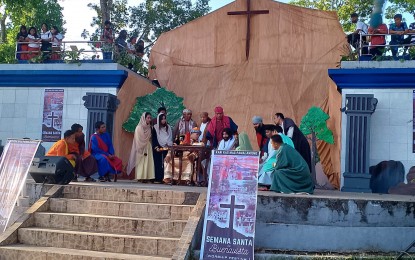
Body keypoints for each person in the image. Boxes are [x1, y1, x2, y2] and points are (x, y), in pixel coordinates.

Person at [127, 112, 155, 182]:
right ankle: (140, 177)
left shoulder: (149, 128)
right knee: (141, 162)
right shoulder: (139, 128)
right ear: (144, 118)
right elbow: (138, 139)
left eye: (150, 118)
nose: (149, 119)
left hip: (148, 146)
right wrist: (141, 148)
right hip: (140, 147)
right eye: (148, 118)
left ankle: (147, 177)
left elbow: (150, 138)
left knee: (148, 162)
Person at [152, 113, 172, 183]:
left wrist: (168, 144)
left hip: (166, 147)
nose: (163, 120)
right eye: (162, 119)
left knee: (166, 163)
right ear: (159, 120)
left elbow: (170, 136)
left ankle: (165, 178)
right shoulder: (155, 127)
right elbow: (154, 138)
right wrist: (156, 146)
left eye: (164, 119)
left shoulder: (168, 127)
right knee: (158, 163)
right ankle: (158, 178)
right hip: (158, 148)